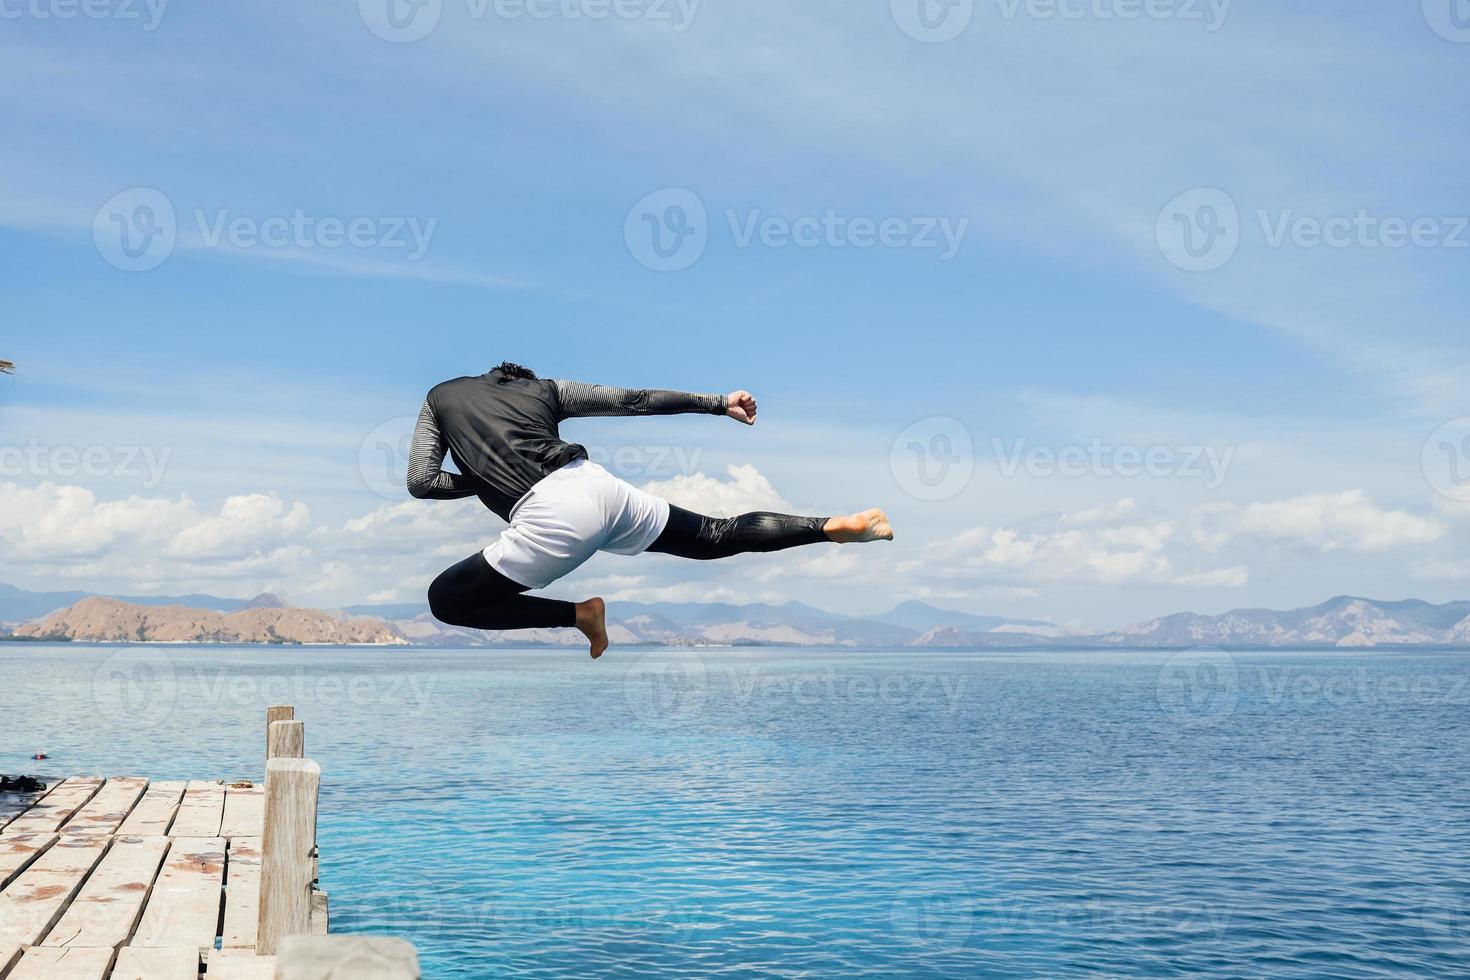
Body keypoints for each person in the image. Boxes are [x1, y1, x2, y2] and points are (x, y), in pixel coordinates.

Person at [407, 362, 893, 658]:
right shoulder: (546, 390)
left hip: (549, 515)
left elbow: (422, 481)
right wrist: (719, 403)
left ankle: (579, 615)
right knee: (715, 536)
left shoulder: (438, 398)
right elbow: (634, 401)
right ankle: (833, 525)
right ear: (517, 379)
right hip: (597, 487)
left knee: (445, 601)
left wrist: (480, 478)